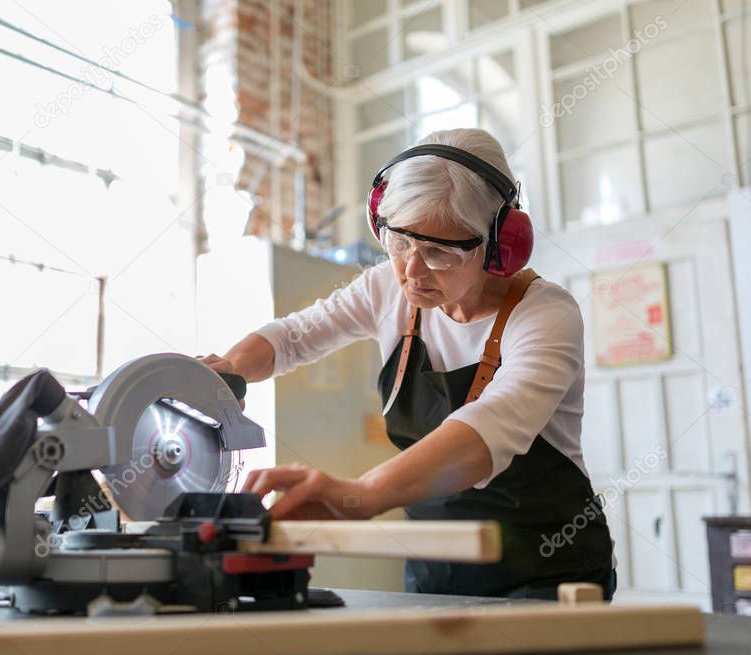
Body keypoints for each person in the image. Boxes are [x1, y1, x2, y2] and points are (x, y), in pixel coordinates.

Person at [200, 128, 615, 600]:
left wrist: (362, 494)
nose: (412, 272)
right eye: (398, 243)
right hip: (435, 575)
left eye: (439, 252)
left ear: (500, 245)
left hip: (550, 576)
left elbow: (491, 428)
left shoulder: (545, 315)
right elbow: (295, 336)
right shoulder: (387, 289)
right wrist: (226, 371)